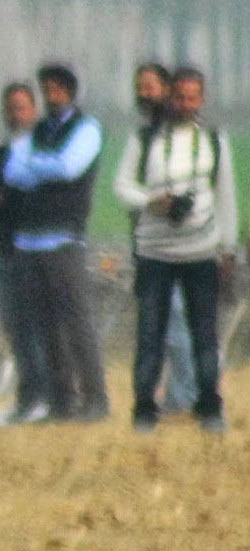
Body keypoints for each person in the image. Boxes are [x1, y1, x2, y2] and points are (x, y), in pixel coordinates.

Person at [113, 67, 235, 434]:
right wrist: (153, 200)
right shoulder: (146, 139)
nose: (184, 104)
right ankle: (144, 411)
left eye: (191, 97)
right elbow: (122, 186)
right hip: (155, 252)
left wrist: (226, 248)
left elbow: (225, 195)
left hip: (201, 251)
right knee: (150, 334)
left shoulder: (214, 139)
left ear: (201, 100)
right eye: (179, 96)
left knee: (204, 334)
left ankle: (210, 408)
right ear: (170, 97)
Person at [3, 63, 107, 422]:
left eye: (58, 88)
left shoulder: (87, 128)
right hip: (30, 240)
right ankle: (61, 402)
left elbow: (68, 167)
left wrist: (33, 165)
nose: (52, 95)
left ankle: (95, 400)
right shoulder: (38, 131)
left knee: (77, 323)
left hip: (64, 237)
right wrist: (39, 165)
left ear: (70, 92)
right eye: (46, 89)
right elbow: (11, 173)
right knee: (45, 327)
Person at [128, 62, 199, 415]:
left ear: (167, 89)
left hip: (178, 242)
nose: (144, 94)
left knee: (176, 321)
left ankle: (185, 396)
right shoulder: (148, 134)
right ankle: (179, 394)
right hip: (151, 242)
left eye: (150, 86)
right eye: (139, 87)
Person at [0, 82, 52, 424]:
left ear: (34, 111)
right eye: (10, 108)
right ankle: (27, 396)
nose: (16, 114)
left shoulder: (46, 152)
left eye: (22, 107)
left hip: (37, 251)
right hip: (6, 249)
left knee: (40, 328)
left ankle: (46, 396)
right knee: (17, 329)